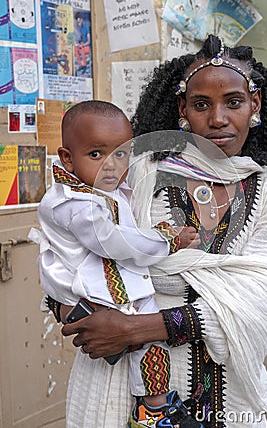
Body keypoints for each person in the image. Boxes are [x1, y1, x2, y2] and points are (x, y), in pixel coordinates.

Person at [59, 35, 267, 428]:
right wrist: (74, 311)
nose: (218, 119)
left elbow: (260, 297)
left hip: (228, 392)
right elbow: (70, 242)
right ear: (183, 109)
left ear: (256, 104)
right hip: (122, 385)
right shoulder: (140, 172)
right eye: (202, 104)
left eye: (233, 102)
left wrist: (131, 327)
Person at [29, 100, 203, 428]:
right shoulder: (76, 204)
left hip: (113, 285)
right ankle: (154, 410)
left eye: (121, 154)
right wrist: (169, 238)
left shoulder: (105, 190)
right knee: (146, 337)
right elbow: (116, 242)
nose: (111, 165)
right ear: (67, 158)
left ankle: (154, 405)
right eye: (96, 154)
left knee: (145, 340)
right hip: (101, 289)